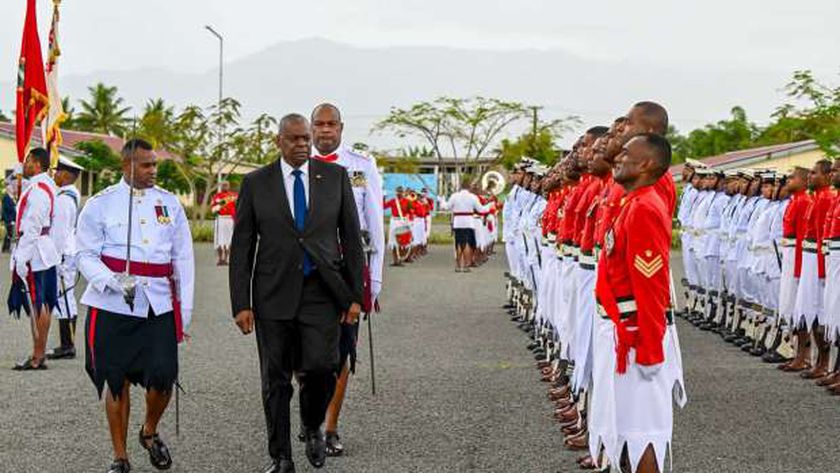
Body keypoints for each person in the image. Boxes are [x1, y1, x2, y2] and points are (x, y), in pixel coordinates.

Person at [229, 114, 365, 473]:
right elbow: (242, 246)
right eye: (295, 139)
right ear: (279, 142)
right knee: (275, 380)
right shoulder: (257, 183)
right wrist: (241, 303)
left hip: (322, 291)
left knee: (323, 367)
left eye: (306, 138)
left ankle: (311, 424)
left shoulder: (334, 178)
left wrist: (355, 296)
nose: (303, 144)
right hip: (273, 295)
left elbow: (351, 238)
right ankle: (281, 456)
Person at [76, 139, 195, 473]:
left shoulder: (169, 204)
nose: (153, 170)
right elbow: (84, 254)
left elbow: (183, 258)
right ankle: (120, 456)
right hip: (111, 304)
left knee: (163, 376)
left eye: (154, 164)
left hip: (157, 303)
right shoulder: (100, 205)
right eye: (145, 165)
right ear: (125, 166)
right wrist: (112, 280)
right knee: (115, 380)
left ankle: (149, 431)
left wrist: (183, 311)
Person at [594, 133, 686, 473]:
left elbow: (651, 288)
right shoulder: (631, 203)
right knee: (624, 428)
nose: (618, 157)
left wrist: (649, 350)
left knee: (642, 433)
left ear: (647, 163)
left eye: (627, 154)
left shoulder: (645, 208)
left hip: (636, 339)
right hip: (625, 333)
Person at [310, 103, 385, 457]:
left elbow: (375, 225)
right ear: (311, 129)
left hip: (347, 270)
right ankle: (311, 423)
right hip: (305, 273)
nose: (325, 130)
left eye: (331, 124)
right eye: (319, 124)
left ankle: (331, 427)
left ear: (341, 128)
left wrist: (376, 281)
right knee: (306, 354)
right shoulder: (294, 165)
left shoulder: (361, 166)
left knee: (341, 353)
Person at [9, 147, 59, 370]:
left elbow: (32, 226)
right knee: (43, 303)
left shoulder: (38, 189)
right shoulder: (45, 185)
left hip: (35, 251)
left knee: (38, 303)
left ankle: (37, 356)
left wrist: (22, 257)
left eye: (28, 160)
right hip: (43, 249)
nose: (25, 163)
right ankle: (39, 354)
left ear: (37, 163)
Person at [46, 157, 84, 360]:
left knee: (65, 298)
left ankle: (67, 345)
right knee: (66, 297)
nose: (54, 174)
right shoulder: (69, 195)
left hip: (63, 254)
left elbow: (59, 233)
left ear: (67, 175)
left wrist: (55, 256)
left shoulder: (64, 199)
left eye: (58, 171)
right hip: (68, 252)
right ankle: (67, 343)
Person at [439, 181, 492, 272]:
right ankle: (466, 265)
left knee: (459, 243)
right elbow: (481, 210)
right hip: (468, 222)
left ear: (460, 187)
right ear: (469, 188)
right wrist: (490, 205)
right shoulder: (472, 197)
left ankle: (458, 265)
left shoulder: (454, 196)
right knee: (467, 243)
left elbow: (446, 207)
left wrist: (441, 200)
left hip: (458, 222)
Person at [210, 181, 238, 266]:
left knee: (228, 240)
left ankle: (226, 259)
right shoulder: (216, 196)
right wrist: (217, 207)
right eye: (223, 185)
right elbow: (213, 209)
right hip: (220, 219)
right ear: (221, 186)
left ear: (229, 186)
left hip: (229, 219)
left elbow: (238, 206)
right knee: (219, 240)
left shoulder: (233, 196)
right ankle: (220, 259)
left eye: (226, 185)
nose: (225, 186)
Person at [2, 181, 16, 253]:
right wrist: (10, 220)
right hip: (8, 219)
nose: (13, 190)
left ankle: (6, 248)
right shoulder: (6, 197)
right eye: (12, 189)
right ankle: (5, 248)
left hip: (11, 219)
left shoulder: (11, 197)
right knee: (8, 233)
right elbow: (6, 210)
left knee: (9, 233)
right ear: (8, 190)